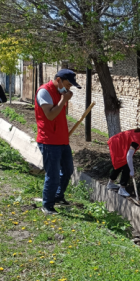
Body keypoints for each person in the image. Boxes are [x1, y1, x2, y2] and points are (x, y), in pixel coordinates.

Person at [34, 69, 81, 215]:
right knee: (53, 174)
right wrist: (63, 100)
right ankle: (47, 205)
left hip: (61, 139)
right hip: (48, 140)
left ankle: (58, 196)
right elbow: (50, 115)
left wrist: (63, 99)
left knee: (68, 170)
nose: (68, 88)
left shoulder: (60, 93)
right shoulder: (44, 92)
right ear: (59, 79)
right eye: (67, 84)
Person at [106, 127, 140, 197]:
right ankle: (122, 188)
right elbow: (129, 156)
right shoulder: (136, 140)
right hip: (116, 144)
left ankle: (110, 184)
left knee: (120, 164)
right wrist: (132, 171)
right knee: (126, 166)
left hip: (118, 144)